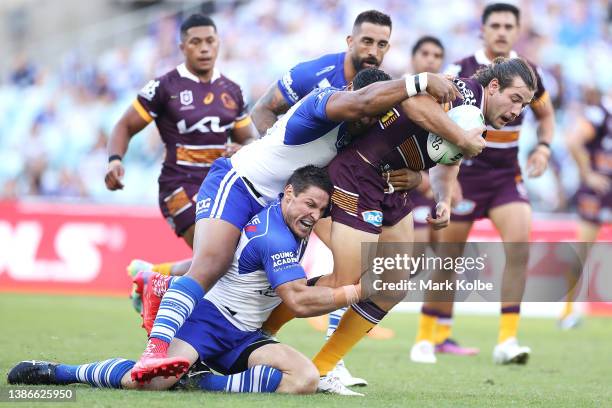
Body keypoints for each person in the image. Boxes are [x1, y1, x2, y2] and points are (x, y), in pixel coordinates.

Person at [132, 66, 484, 384]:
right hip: (242, 184)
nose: (375, 122)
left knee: (272, 272)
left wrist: (416, 176)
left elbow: (383, 155)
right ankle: (157, 349)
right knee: (213, 263)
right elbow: (360, 103)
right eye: (375, 113)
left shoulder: (361, 129)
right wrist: (419, 82)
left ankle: (169, 289)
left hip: (284, 202)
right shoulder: (326, 103)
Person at [262, 58, 537, 389]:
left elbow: (449, 159)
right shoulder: (461, 92)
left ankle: (323, 368)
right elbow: (414, 103)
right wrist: (464, 140)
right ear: (494, 87)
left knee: (393, 284)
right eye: (516, 98)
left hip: (390, 187)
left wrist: (444, 199)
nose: (517, 110)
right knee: (346, 282)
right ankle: (262, 333)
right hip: (359, 174)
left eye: (525, 105)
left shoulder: (476, 114)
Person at [8, 166, 368, 395]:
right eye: (309, 205)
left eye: (321, 210)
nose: (314, 216)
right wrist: (356, 291)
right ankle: (60, 372)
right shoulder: (273, 235)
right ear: (287, 192)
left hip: (244, 334)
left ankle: (201, 381)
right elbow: (298, 301)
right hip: (208, 322)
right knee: (149, 381)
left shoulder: (291, 220)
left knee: (303, 379)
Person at [411, 3, 556, 365]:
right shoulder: (461, 70)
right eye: (496, 25)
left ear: (518, 29)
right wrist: (443, 174)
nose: (503, 32)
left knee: (520, 246)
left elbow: (546, 115)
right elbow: (435, 116)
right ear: (483, 30)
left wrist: (543, 147)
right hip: (467, 176)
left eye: (510, 25)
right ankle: (427, 337)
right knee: (447, 258)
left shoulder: (530, 73)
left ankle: (508, 340)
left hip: (506, 176)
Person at [104, 14, 258, 276]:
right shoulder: (164, 88)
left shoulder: (232, 91)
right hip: (179, 186)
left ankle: (152, 276)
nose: (204, 48)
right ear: (182, 47)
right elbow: (125, 126)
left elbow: (249, 139)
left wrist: (244, 148)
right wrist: (115, 160)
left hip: (218, 186)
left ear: (219, 43)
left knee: (224, 261)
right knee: (216, 257)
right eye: (196, 42)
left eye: (210, 41)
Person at [408, 37, 480, 357]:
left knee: (449, 258)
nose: (431, 60)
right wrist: (419, 178)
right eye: (424, 53)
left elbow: (445, 150)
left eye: (437, 55)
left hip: (428, 189)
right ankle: (347, 306)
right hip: (399, 189)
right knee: (411, 261)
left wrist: (448, 188)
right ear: (412, 59)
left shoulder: (447, 99)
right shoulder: (402, 92)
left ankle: (440, 335)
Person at [562, 87, 612, 329]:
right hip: (599, 191)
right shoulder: (601, 113)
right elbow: (573, 141)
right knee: (582, 251)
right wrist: (588, 174)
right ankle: (567, 311)